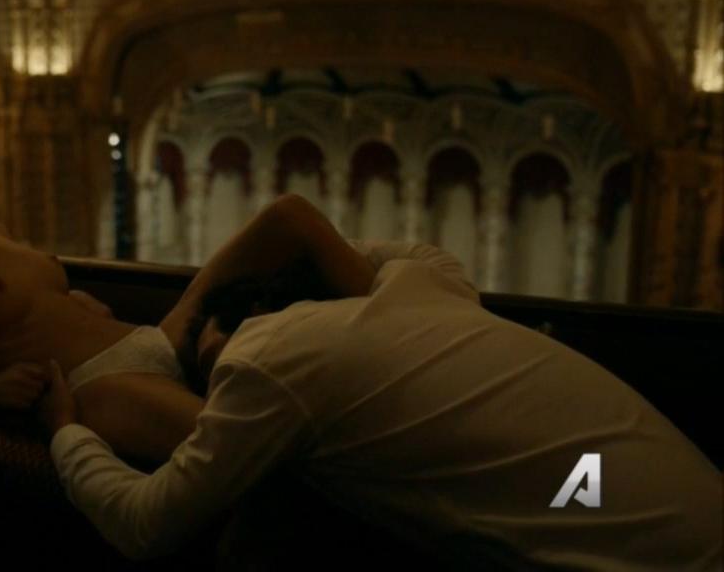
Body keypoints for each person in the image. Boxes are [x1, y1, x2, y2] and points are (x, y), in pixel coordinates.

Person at [37, 198, 724, 569]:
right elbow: (294, 222)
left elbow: (145, 523)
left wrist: (67, 433)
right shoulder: (428, 282)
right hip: (683, 504)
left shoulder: (267, 359)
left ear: (232, 333)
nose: (214, 396)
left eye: (207, 370)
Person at [0, 80, 360, 463]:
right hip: (96, 385)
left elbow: (33, 305)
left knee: (289, 216)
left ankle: (386, 311)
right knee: (256, 446)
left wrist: (72, 300)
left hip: (148, 339)